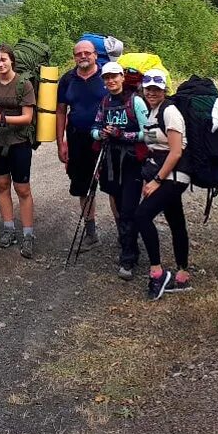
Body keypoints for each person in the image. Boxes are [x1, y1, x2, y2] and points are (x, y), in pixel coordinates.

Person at [136, 69, 192, 299]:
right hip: (162, 173)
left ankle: (157, 272)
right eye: (148, 88)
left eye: (156, 88)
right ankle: (182, 274)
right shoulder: (152, 112)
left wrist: (157, 181)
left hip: (174, 175)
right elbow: (154, 148)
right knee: (175, 220)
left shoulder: (170, 112)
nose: (151, 92)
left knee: (141, 216)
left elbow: (176, 151)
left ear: (164, 90)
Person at [93, 61, 149, 279]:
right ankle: (130, 247)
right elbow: (94, 128)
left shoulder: (136, 102)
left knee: (128, 209)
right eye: (107, 78)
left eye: (114, 76)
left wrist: (122, 135)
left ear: (122, 77)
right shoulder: (105, 102)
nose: (111, 81)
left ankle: (128, 257)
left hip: (133, 162)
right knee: (119, 204)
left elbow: (149, 133)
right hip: (111, 161)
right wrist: (102, 134)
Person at [0, 45, 38, 258]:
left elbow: (27, 118)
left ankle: (28, 235)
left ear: (11, 61)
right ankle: (8, 230)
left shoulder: (24, 84)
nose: (0, 64)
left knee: (22, 189)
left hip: (19, 142)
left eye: (3, 59)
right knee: (2, 185)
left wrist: (3, 118)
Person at [56, 39, 108, 252]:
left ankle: (125, 232)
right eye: (79, 54)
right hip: (77, 138)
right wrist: (60, 143)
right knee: (82, 185)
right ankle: (91, 232)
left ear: (95, 55)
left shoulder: (107, 75)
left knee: (113, 186)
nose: (83, 56)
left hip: (106, 139)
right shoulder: (67, 79)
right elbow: (60, 111)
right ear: (74, 57)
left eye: (87, 52)